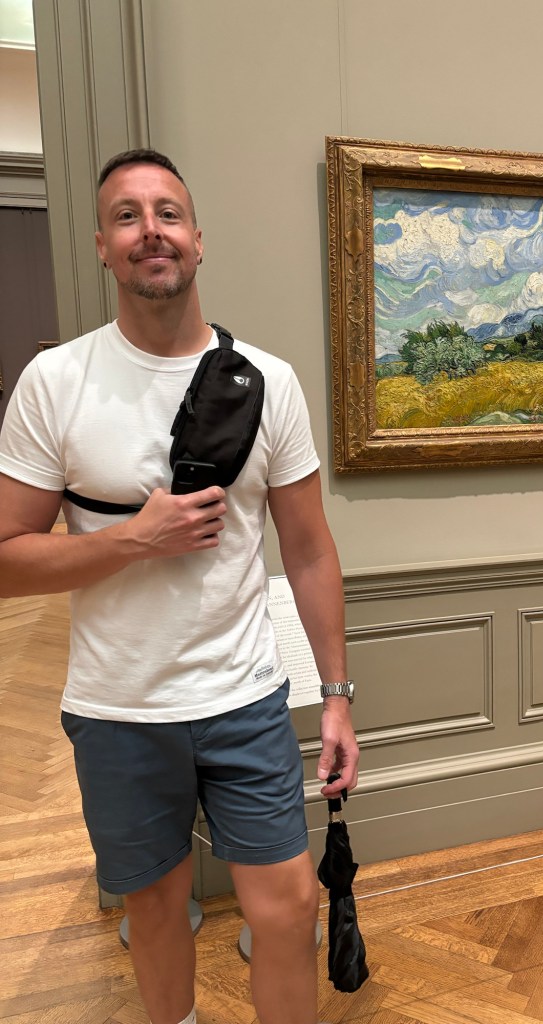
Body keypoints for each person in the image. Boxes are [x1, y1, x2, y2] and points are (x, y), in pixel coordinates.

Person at [0, 149, 358, 1024]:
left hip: (244, 698)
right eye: (126, 216)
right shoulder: (56, 382)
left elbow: (310, 552)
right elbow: (5, 558)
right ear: (102, 246)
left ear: (198, 238)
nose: (150, 230)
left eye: (167, 212)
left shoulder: (268, 383)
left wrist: (337, 697)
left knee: (290, 909)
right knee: (156, 915)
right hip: (118, 709)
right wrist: (133, 540)